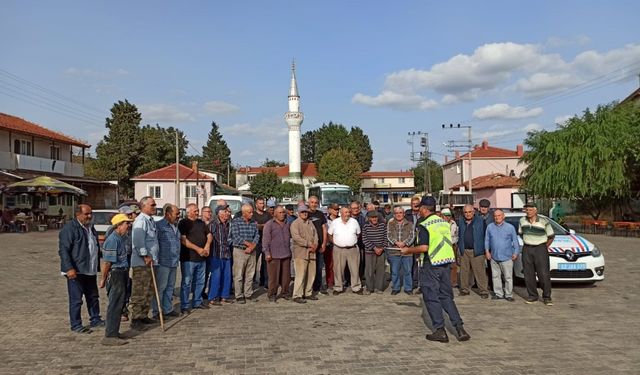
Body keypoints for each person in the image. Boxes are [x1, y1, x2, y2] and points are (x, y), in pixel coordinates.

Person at [401, 196, 470, 343]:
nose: (418, 210)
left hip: (431, 264)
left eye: (420, 207)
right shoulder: (443, 222)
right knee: (446, 297)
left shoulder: (424, 224)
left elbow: (424, 247)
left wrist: (408, 250)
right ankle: (460, 328)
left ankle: (440, 330)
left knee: (431, 298)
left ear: (424, 209)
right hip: (445, 263)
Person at [58, 204, 104, 333]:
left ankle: (95, 319)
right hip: (76, 269)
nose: (89, 216)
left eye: (90, 213)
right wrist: (69, 268)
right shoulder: (70, 228)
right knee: (76, 299)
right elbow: (64, 250)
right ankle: (76, 324)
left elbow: (93, 246)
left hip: (90, 268)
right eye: (86, 214)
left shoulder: (90, 227)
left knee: (93, 296)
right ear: (78, 214)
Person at [99, 213, 133, 346]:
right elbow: (107, 263)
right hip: (116, 273)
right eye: (126, 223)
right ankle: (110, 335)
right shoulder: (113, 239)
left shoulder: (121, 238)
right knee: (115, 304)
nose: (128, 226)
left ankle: (114, 331)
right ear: (118, 225)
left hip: (122, 272)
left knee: (119, 304)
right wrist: (103, 279)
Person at [130, 196, 159, 330]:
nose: (155, 207)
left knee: (148, 290)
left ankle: (143, 315)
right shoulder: (141, 221)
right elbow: (138, 241)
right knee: (140, 291)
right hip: (142, 262)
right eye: (152, 205)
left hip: (151, 262)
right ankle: (136, 318)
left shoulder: (150, 220)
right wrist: (145, 255)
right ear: (144, 206)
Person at [519, 202, 555, 305]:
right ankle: (532, 296)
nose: (528, 212)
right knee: (528, 274)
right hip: (527, 248)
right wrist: (529, 241)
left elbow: (551, 236)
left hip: (540, 249)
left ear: (535, 210)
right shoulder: (522, 220)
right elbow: (521, 234)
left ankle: (547, 297)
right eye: (527, 210)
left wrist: (544, 247)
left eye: (530, 210)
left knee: (543, 274)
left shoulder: (544, 221)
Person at [178, 203, 212, 313]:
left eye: (197, 210)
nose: (197, 213)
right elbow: (183, 240)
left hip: (202, 258)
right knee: (187, 283)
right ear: (188, 212)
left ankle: (197, 301)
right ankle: (184, 305)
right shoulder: (183, 223)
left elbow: (209, 235)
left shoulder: (201, 223)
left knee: (200, 282)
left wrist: (207, 246)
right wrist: (198, 249)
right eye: (195, 211)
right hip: (189, 258)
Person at [153, 204, 181, 318]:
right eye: (176, 214)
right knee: (161, 287)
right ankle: (157, 311)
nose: (178, 216)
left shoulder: (175, 225)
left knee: (170, 287)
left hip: (174, 261)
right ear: (168, 214)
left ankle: (167, 309)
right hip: (163, 261)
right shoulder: (159, 226)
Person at [484, 209, 519, 301]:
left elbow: (515, 241)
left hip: (507, 257)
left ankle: (508, 294)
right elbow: (487, 240)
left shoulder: (510, 227)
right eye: (495, 216)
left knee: (508, 277)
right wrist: (487, 251)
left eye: (499, 215)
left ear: (503, 216)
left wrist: (516, 252)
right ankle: (498, 293)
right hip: (494, 256)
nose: (497, 217)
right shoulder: (490, 227)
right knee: (495, 276)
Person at [457, 204, 490, 299]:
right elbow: (459, 235)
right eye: (465, 212)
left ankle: (483, 291)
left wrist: (485, 249)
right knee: (464, 271)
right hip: (464, 250)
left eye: (469, 212)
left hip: (477, 250)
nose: (468, 214)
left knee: (480, 272)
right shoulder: (461, 221)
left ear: (474, 212)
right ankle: (464, 289)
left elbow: (485, 236)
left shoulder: (480, 221)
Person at [229, 204, 259, 304]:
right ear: (244, 213)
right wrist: (248, 244)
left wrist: (252, 246)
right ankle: (239, 295)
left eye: (252, 212)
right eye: (249, 212)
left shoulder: (254, 223)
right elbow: (235, 236)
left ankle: (248, 294)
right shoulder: (236, 222)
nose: (252, 214)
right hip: (240, 250)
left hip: (252, 251)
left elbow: (257, 236)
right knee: (238, 274)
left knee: (250, 274)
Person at [329, 207, 363, 295]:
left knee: (355, 269)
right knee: (338, 269)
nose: (347, 214)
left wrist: (351, 241)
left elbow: (358, 234)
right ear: (341, 213)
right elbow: (329, 234)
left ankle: (356, 287)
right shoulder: (335, 222)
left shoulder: (354, 222)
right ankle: (338, 287)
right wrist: (335, 242)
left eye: (348, 212)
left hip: (352, 249)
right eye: (345, 212)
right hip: (338, 249)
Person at [262, 205, 292, 302]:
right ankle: (272, 294)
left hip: (286, 253)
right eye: (280, 212)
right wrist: (267, 252)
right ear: (274, 214)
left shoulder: (288, 223)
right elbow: (265, 240)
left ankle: (285, 292)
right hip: (273, 255)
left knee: (286, 276)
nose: (282, 214)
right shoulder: (269, 224)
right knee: (273, 277)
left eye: (283, 212)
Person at [290, 204, 319, 303]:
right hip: (301, 253)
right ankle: (297, 295)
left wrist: (315, 244)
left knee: (311, 274)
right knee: (300, 275)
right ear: (298, 213)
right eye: (302, 212)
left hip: (312, 252)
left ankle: (308, 292)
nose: (305, 213)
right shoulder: (295, 224)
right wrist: (308, 244)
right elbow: (296, 238)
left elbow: (316, 235)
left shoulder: (310, 223)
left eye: (306, 212)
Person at [207, 205, 234, 305]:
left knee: (227, 276)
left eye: (228, 211)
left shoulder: (229, 224)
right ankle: (212, 297)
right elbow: (208, 237)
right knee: (216, 276)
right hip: (216, 254)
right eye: (226, 211)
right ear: (220, 213)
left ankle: (224, 296)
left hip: (227, 253)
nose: (228, 213)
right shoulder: (213, 224)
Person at [386, 207, 414, 295]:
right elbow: (388, 235)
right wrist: (396, 243)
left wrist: (405, 243)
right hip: (394, 251)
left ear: (404, 214)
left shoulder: (410, 224)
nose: (399, 214)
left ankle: (408, 288)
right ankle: (396, 287)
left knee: (408, 271)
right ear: (394, 214)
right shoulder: (390, 223)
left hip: (407, 251)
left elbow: (412, 236)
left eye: (400, 213)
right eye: (397, 213)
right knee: (395, 271)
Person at [362, 210, 387, 294]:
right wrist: (374, 248)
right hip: (369, 251)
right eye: (372, 217)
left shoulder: (383, 225)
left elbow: (385, 238)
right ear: (369, 218)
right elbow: (364, 239)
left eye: (376, 217)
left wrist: (382, 248)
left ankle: (378, 288)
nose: (374, 219)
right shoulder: (365, 226)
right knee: (369, 271)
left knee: (380, 270)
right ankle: (369, 288)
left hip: (381, 251)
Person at [308, 196, 329, 295]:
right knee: (309, 268)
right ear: (309, 202)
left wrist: (324, 243)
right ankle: (308, 287)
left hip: (320, 245)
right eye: (312, 202)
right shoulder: (305, 213)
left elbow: (324, 228)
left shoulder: (320, 214)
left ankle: (318, 286)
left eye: (316, 202)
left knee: (319, 267)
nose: (314, 204)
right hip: (308, 246)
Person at [252, 197, 271, 288]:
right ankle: (252, 281)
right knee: (253, 262)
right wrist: (263, 226)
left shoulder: (268, 215)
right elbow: (254, 226)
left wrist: (260, 226)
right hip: (255, 242)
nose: (262, 205)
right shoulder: (253, 215)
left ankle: (265, 282)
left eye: (263, 203)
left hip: (266, 241)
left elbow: (269, 226)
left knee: (266, 262)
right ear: (256, 204)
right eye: (260, 203)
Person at [441, 208, 459, 288]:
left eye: (449, 215)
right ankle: (443, 281)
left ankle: (453, 282)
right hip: (442, 246)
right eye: (445, 215)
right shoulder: (439, 224)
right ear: (442, 216)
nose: (447, 217)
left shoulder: (454, 223)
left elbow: (456, 234)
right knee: (442, 264)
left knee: (453, 265)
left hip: (452, 245)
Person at [200, 206, 214, 299]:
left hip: (211, 252)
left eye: (210, 212)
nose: (210, 213)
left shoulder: (213, 223)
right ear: (203, 212)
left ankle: (204, 290)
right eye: (208, 211)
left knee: (207, 272)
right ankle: (199, 291)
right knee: (201, 273)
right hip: (200, 251)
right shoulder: (199, 223)